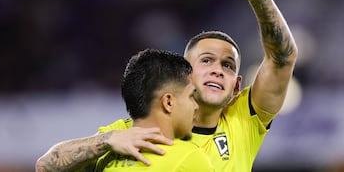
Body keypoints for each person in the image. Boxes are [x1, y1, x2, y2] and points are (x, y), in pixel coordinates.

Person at [36, 0, 298, 171]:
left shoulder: (242, 122)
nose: (218, 70)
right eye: (206, 61)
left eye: (227, 66)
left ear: (237, 86)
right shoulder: (134, 130)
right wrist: (106, 140)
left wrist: (261, 0)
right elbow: (47, 165)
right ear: (184, 74)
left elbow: (282, 58)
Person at [36, 49, 215, 172]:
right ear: (168, 102)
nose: (196, 106)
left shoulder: (111, 140)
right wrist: (107, 140)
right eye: (191, 96)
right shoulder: (191, 158)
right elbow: (44, 166)